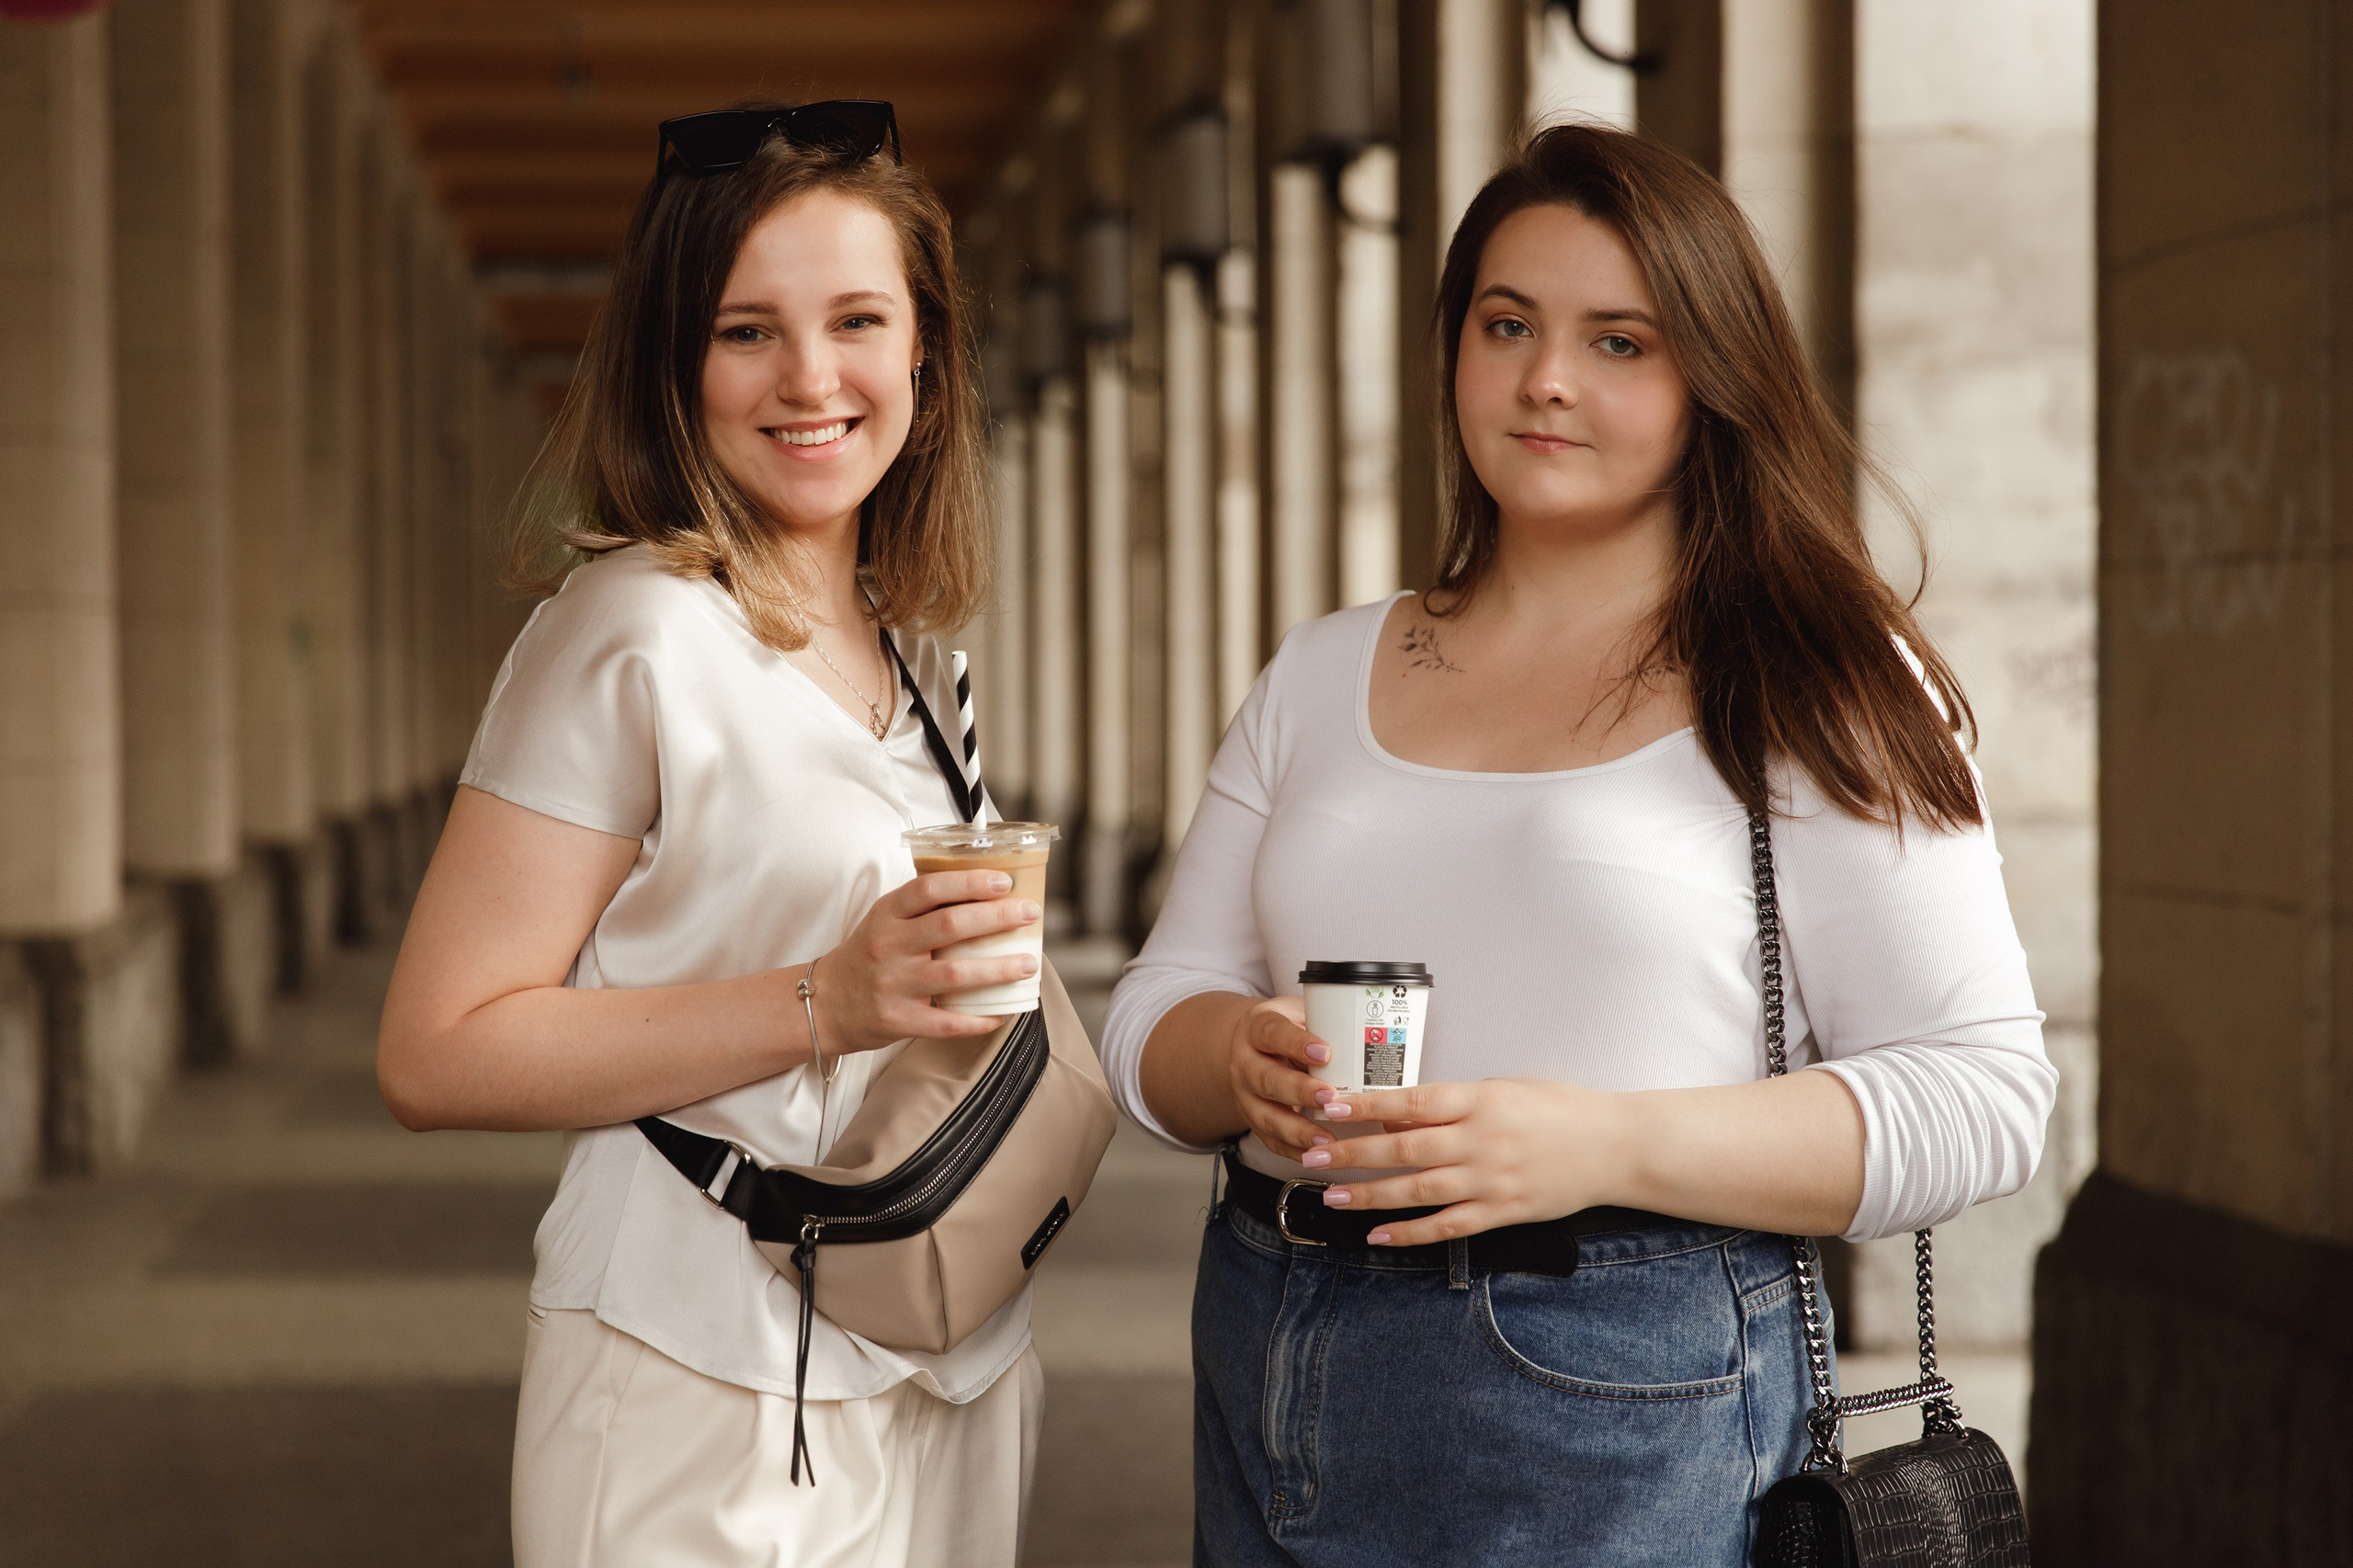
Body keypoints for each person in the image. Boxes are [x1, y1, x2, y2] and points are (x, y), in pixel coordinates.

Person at [1101, 122, 2056, 1566]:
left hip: (1624, 1376)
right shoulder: (1322, 671)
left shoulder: (1812, 676)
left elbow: (1984, 1093)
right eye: (1508, 325)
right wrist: (1237, 1052)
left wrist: (1594, 1139)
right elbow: (1147, 1022)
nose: (1547, 377)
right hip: (1275, 1328)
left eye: (1622, 341)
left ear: (1713, 380)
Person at [376, 101, 1046, 1567]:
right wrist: (825, 999)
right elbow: (436, 1050)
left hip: (945, 1352)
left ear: (924, 355)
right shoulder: (629, 632)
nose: (812, 378)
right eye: (749, 330)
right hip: (704, 1371)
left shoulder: (921, 658)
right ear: (678, 361)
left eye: (858, 319)